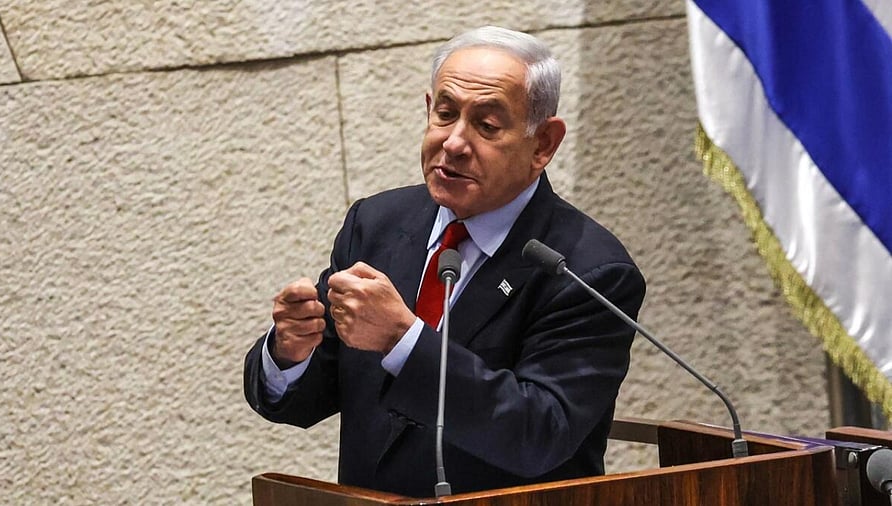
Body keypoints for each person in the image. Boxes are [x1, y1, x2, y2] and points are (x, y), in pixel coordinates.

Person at [243, 25, 646, 497]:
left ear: (543, 145)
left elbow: (539, 433)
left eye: (487, 125)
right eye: (445, 113)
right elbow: (307, 397)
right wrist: (290, 351)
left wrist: (403, 339)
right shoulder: (376, 223)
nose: (454, 142)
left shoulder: (587, 269)